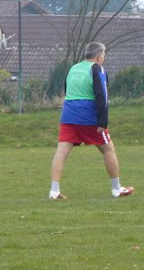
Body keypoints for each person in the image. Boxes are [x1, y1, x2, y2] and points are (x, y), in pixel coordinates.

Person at [49, 42, 134, 200]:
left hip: (68, 114)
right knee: (108, 149)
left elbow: (67, 90)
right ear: (99, 55)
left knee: (61, 152)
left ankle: (54, 191)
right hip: (88, 116)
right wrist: (102, 122)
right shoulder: (97, 68)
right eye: (104, 55)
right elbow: (102, 95)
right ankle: (116, 189)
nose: (104, 58)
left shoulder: (73, 68)